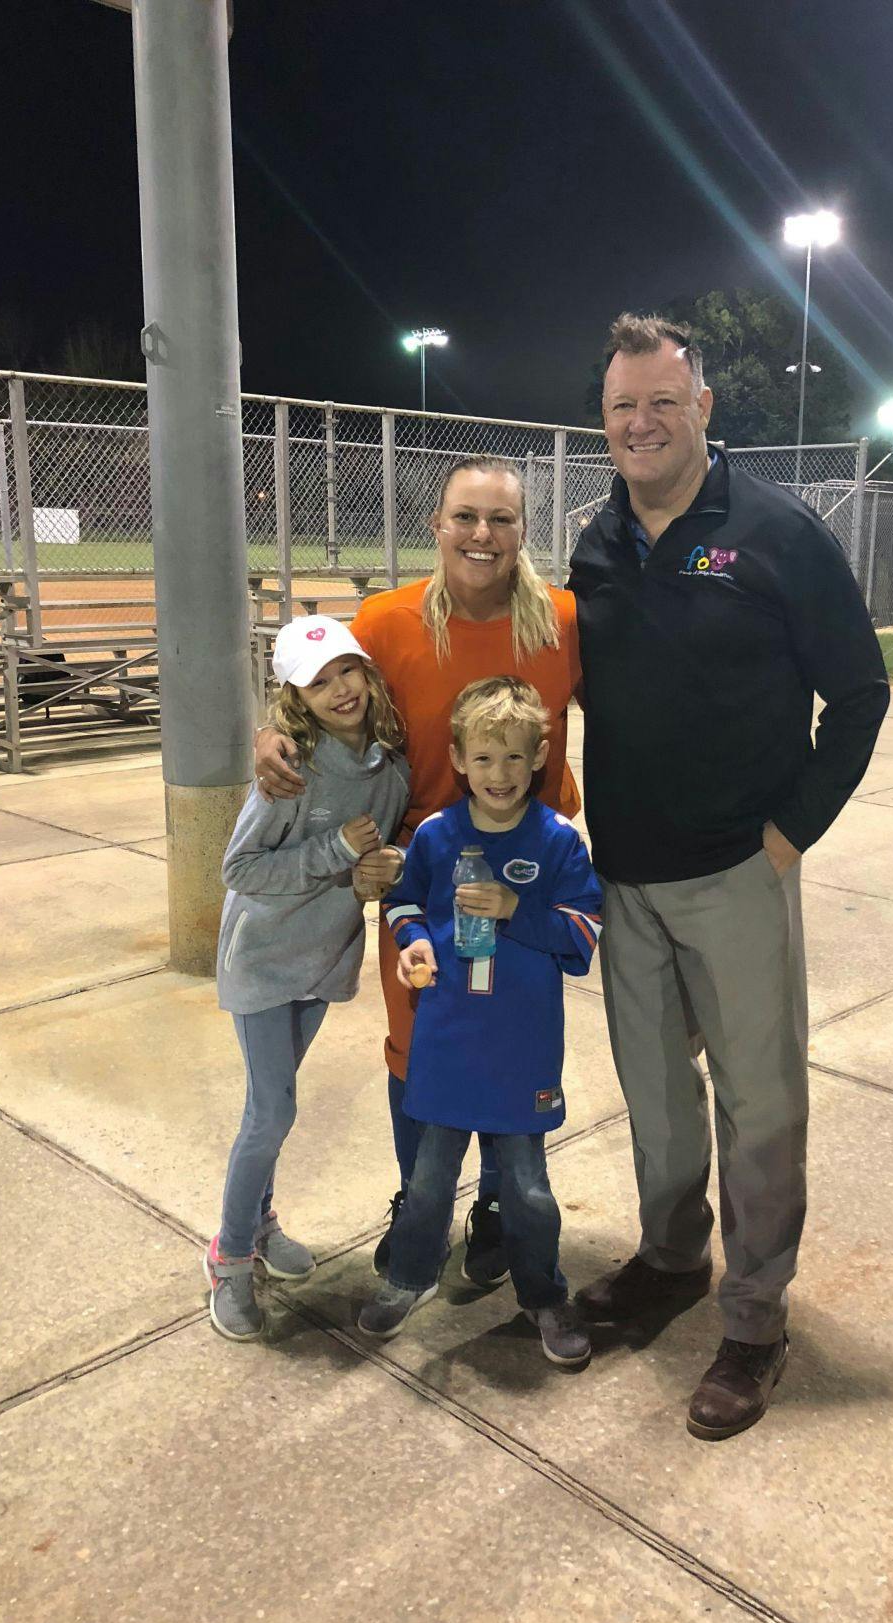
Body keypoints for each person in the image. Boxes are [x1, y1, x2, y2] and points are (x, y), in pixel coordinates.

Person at [569, 314, 890, 1438]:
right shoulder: (592, 542)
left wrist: (789, 833)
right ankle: (668, 1265)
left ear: (702, 407)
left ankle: (753, 1319)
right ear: (601, 419)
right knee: (658, 1106)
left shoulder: (777, 533)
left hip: (735, 873)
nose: (640, 422)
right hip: (625, 881)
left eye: (662, 400)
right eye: (620, 406)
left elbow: (858, 696)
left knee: (759, 1109)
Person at [253, 458, 582, 1286]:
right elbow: (323, 697)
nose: (482, 535)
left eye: (500, 520)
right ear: (435, 525)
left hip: (525, 869)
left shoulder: (563, 620)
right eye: (465, 517)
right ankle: (419, 1200)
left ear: (520, 532)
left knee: (511, 1036)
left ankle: (502, 1204)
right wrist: (267, 736)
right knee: (419, 1040)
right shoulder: (389, 620)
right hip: (420, 866)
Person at [357, 677, 601, 1365]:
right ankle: (408, 1273)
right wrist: (415, 945)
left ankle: (542, 1291)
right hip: (446, 1040)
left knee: (526, 1187)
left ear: (540, 757)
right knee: (430, 1177)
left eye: (516, 758)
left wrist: (514, 910)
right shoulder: (436, 836)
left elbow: (582, 935)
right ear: (460, 759)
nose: (501, 774)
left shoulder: (556, 843)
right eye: (485, 759)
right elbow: (401, 903)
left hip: (520, 1048)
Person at [205, 615, 409, 1342]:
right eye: (318, 682)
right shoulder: (292, 769)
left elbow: (375, 866)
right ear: (295, 695)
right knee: (271, 1113)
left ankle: (259, 1224)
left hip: (319, 962)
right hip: (260, 961)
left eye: (347, 670)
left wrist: (380, 873)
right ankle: (228, 1257)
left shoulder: (389, 769)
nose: (339, 689)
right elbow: (239, 870)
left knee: (274, 1105)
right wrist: (332, 849)